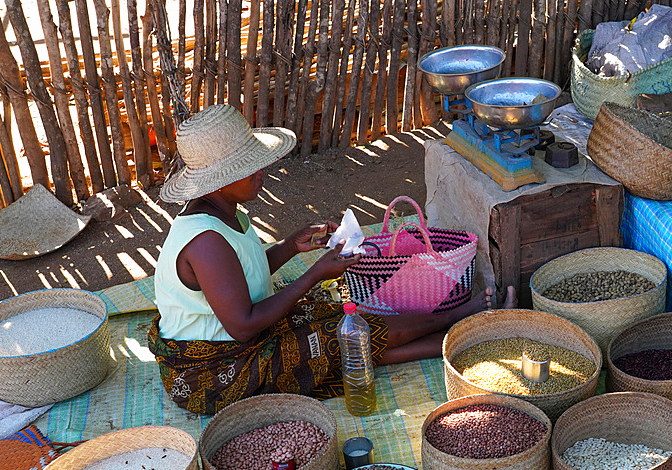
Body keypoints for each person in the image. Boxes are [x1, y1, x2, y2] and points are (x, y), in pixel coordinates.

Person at [147, 104, 514, 415]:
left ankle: (461, 332)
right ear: (218, 180)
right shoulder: (206, 241)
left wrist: (291, 246)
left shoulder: (225, 212)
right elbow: (242, 325)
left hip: (240, 337)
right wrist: (315, 274)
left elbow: (244, 275)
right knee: (343, 339)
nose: (261, 170)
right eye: (249, 166)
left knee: (347, 332)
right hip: (215, 368)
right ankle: (458, 319)